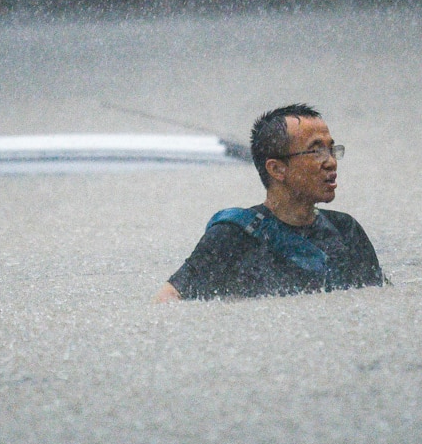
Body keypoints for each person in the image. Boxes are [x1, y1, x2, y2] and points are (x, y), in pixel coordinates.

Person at [155, 103, 384, 301]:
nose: (331, 162)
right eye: (315, 151)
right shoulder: (233, 236)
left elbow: (377, 299)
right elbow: (168, 300)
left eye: (331, 149)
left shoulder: (346, 230)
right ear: (276, 169)